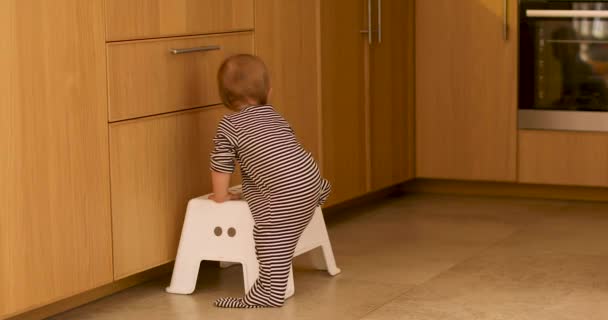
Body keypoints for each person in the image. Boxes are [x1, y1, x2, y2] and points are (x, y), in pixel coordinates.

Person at [209, 54, 331, 308]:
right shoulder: (274, 115)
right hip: (310, 175)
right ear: (269, 91)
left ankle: (269, 291)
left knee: (268, 235)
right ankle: (320, 191)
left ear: (225, 97)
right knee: (294, 190)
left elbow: (221, 165)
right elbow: (285, 151)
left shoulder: (229, 125)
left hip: (287, 188)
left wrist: (221, 196)